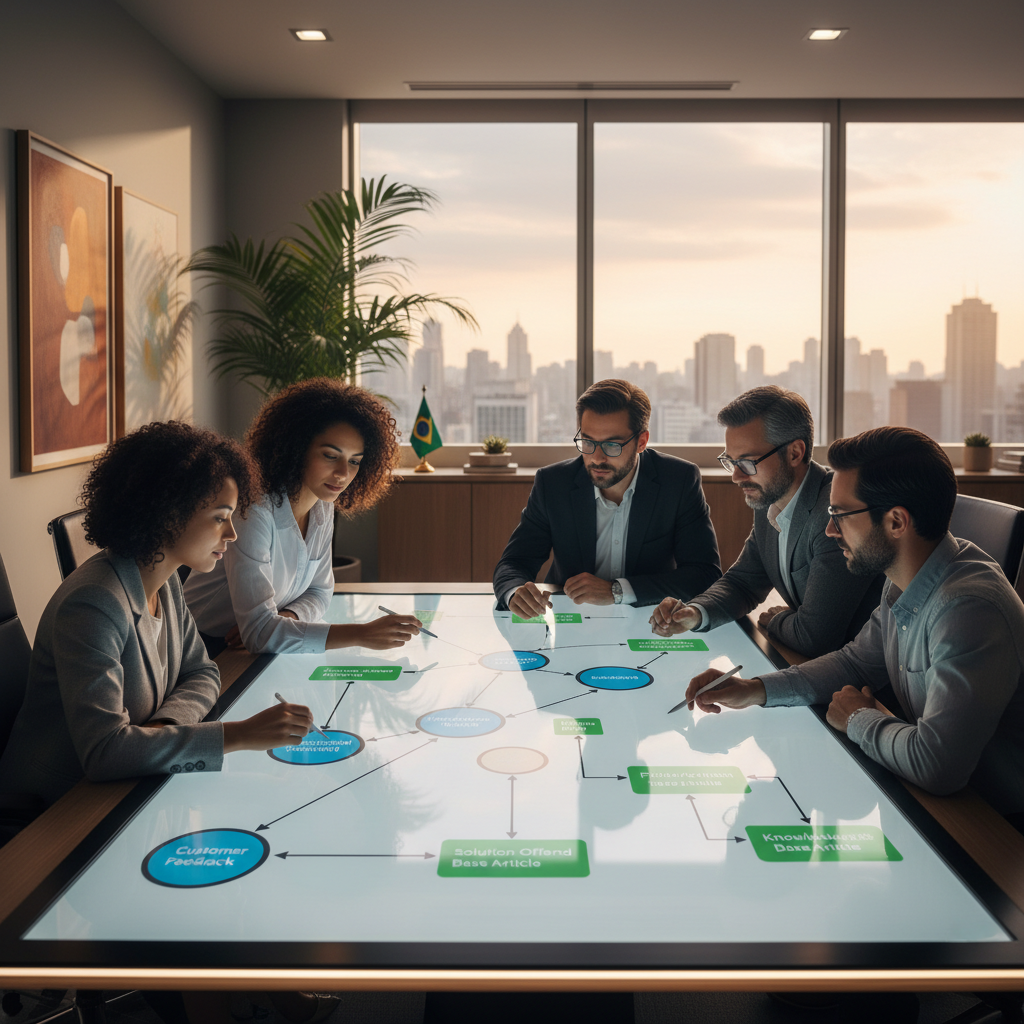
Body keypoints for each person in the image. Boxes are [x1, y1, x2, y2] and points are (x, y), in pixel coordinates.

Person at [683, 426, 1024, 826]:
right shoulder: (906, 576)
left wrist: (859, 717)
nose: (830, 530)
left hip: (989, 824)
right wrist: (752, 689)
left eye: (840, 515)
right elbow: (856, 664)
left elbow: (938, 766)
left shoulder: (967, 609)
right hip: (929, 797)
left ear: (896, 521)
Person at [0, 421, 316, 806]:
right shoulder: (92, 604)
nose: (232, 534)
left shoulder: (162, 579)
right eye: (220, 517)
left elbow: (202, 672)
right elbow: (105, 753)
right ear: (168, 514)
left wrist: (161, 730)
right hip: (60, 806)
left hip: (130, 783)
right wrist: (238, 735)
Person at [185, 378, 421, 654]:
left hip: (253, 647)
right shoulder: (254, 510)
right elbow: (260, 634)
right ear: (297, 448)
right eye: (331, 456)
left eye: (355, 461)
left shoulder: (322, 505)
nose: (344, 473)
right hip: (204, 648)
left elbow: (320, 593)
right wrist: (361, 634)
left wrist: (288, 619)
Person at [650, 386, 883, 657]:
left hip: (869, 681)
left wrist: (776, 620)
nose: (736, 476)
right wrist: (695, 612)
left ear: (795, 453)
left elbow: (815, 637)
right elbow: (743, 582)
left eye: (747, 463)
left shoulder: (833, 513)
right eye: (731, 461)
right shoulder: (769, 499)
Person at [493, 378, 721, 617]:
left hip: (650, 619)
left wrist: (617, 591)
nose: (597, 458)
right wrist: (515, 592)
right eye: (588, 442)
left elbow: (704, 573)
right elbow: (514, 562)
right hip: (573, 619)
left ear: (641, 442)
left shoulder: (678, 481)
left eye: (612, 445)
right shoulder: (553, 483)